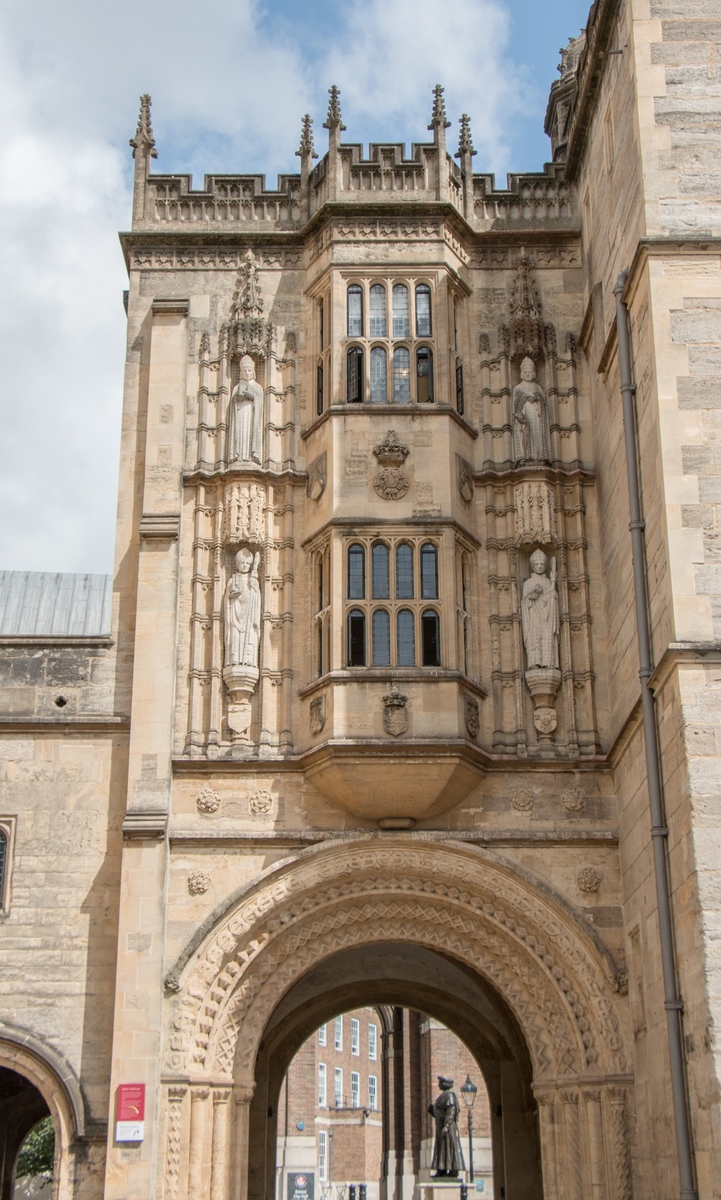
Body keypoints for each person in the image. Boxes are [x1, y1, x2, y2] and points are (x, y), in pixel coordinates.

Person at [521, 549, 559, 670]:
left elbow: (552, 599)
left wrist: (552, 593)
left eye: (542, 564)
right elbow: (525, 602)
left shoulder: (549, 582)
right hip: (533, 618)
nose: (539, 566)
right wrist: (533, 594)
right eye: (537, 564)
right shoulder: (528, 583)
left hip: (547, 617)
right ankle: (534, 663)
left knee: (547, 638)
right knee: (535, 639)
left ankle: (548, 663)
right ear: (532, 566)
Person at [223, 548, 261, 669]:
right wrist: (231, 595)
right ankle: (234, 661)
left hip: (249, 617)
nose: (245, 565)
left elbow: (256, 598)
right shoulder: (232, 580)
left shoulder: (253, 579)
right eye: (242, 563)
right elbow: (227, 598)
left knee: (250, 636)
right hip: (235, 617)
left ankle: (249, 661)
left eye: (247, 563)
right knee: (235, 638)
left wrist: (254, 587)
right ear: (237, 564)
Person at [513, 357, 550, 462]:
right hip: (525, 417)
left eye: (530, 372)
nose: (528, 374)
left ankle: (539, 456)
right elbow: (515, 406)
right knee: (526, 436)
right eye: (525, 372)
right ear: (521, 374)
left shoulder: (538, 388)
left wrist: (537, 399)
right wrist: (526, 398)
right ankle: (526, 456)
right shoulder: (518, 388)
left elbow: (543, 402)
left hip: (537, 416)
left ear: (534, 373)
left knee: (537, 437)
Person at [227, 355, 264, 464]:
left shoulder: (258, 387)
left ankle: (251, 456)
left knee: (249, 434)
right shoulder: (236, 388)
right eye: (244, 371)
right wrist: (238, 398)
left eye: (249, 370)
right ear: (241, 372)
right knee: (241, 434)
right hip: (240, 415)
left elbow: (260, 403)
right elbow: (233, 406)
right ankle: (239, 456)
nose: (247, 373)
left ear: (253, 372)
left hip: (252, 415)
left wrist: (253, 397)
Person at [428, 1076, 465, 1178]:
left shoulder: (449, 1096)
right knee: (441, 1147)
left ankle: (453, 1169)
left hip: (447, 1127)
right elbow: (440, 1112)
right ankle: (442, 1169)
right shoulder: (443, 1096)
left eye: (440, 1082)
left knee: (449, 1146)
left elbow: (451, 1111)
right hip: (440, 1125)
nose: (439, 1084)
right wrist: (432, 1110)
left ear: (445, 1084)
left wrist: (446, 1125)